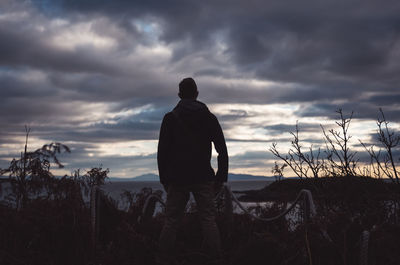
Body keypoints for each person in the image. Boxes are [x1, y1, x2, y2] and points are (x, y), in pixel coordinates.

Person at [157, 77, 228, 264]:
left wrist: (164, 179)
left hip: (176, 177)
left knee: (171, 220)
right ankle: (216, 259)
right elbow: (222, 149)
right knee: (208, 219)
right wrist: (221, 178)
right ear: (196, 94)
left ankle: (162, 259)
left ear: (179, 95)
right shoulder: (209, 118)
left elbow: (162, 153)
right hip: (203, 176)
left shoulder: (170, 118)